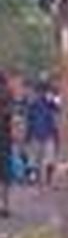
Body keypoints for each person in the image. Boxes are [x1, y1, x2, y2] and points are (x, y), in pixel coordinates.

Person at [24, 79, 59, 186]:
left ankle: (36, 178)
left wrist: (27, 134)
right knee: (46, 157)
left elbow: (29, 119)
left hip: (40, 132)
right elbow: (55, 115)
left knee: (36, 157)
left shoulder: (36, 103)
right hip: (46, 132)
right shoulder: (45, 103)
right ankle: (45, 179)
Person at [0, 72, 13, 218]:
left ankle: (4, 205)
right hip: (4, 139)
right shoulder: (8, 95)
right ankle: (5, 205)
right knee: (4, 175)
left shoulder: (6, 95)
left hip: (4, 138)